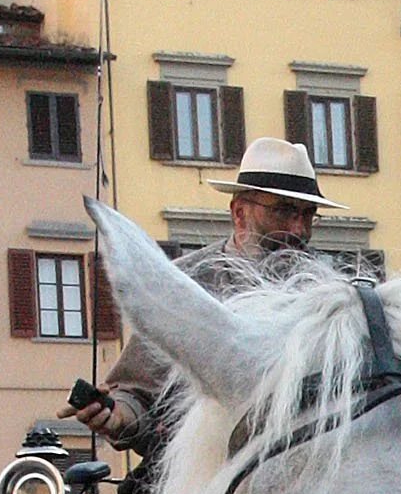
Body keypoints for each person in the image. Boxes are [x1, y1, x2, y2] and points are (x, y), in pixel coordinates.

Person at [70, 135, 339, 468]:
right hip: (195, 474)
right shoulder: (185, 282)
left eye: (308, 214)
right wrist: (117, 416)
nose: (299, 229)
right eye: (283, 211)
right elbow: (135, 393)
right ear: (239, 212)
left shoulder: (327, 292)